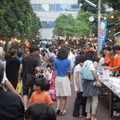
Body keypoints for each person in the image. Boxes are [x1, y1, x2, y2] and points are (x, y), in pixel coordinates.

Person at [19, 45, 40, 110]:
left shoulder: (24, 58)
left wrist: (19, 76)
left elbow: (20, 67)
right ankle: (32, 107)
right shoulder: (36, 59)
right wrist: (38, 70)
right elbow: (38, 69)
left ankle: (25, 107)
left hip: (25, 78)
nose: (38, 52)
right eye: (37, 51)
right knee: (33, 92)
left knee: (25, 93)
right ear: (34, 51)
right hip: (32, 78)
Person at [82, 51, 102, 120]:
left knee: (88, 99)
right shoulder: (90, 62)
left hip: (86, 82)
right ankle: (93, 116)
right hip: (92, 83)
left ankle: (88, 115)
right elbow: (93, 72)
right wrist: (98, 81)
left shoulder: (85, 62)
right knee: (95, 100)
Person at [53, 48, 71, 115]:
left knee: (58, 95)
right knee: (64, 96)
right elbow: (69, 71)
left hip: (58, 78)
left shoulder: (55, 61)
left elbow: (54, 71)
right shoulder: (68, 61)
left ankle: (58, 106)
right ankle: (62, 110)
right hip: (65, 78)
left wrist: (54, 80)